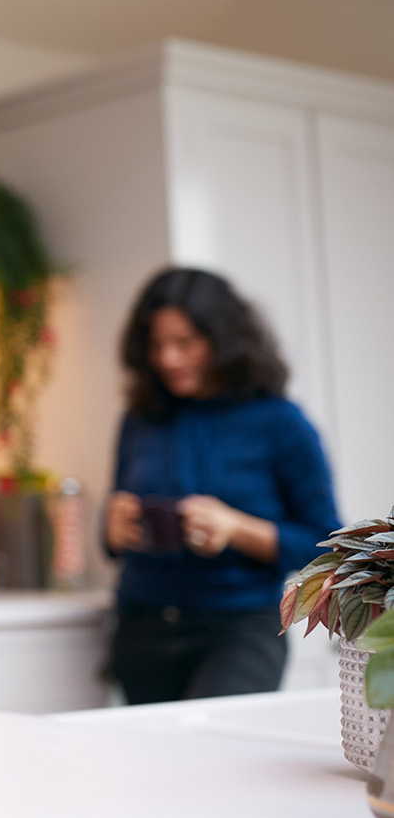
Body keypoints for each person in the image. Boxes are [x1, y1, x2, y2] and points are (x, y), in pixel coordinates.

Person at [104, 267, 337, 704]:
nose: (168, 359)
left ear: (225, 337)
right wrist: (112, 529)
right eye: (156, 345)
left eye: (185, 343)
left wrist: (236, 529)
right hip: (142, 628)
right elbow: (115, 528)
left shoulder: (280, 422)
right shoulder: (140, 419)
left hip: (239, 629)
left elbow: (325, 543)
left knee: (212, 756)